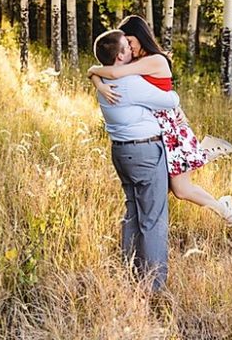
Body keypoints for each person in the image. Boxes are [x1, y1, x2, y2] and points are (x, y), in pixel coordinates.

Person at [91, 22, 232, 225]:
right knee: (171, 189)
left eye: (130, 41)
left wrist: (94, 72)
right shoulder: (139, 61)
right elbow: (112, 72)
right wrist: (97, 81)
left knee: (179, 189)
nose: (129, 47)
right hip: (161, 124)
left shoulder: (154, 60)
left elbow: (113, 73)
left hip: (170, 128)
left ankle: (205, 157)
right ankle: (215, 186)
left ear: (141, 37)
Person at [90, 33, 182, 291]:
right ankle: (154, 286)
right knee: (153, 219)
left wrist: (95, 73)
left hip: (121, 153)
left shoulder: (104, 82)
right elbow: (172, 100)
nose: (131, 50)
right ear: (119, 56)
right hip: (145, 153)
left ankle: (130, 276)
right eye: (126, 47)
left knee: (132, 215)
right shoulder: (131, 83)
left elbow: (96, 71)